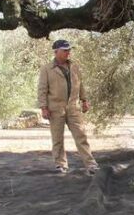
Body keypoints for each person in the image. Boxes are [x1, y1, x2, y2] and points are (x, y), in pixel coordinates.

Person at [37, 39, 98, 174]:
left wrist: (84, 100)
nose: (68, 52)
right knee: (57, 139)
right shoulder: (47, 69)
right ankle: (61, 165)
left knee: (81, 135)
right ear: (56, 51)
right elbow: (42, 89)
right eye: (65, 50)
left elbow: (80, 85)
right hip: (55, 108)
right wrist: (43, 107)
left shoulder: (74, 66)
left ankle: (91, 164)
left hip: (73, 107)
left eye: (69, 50)